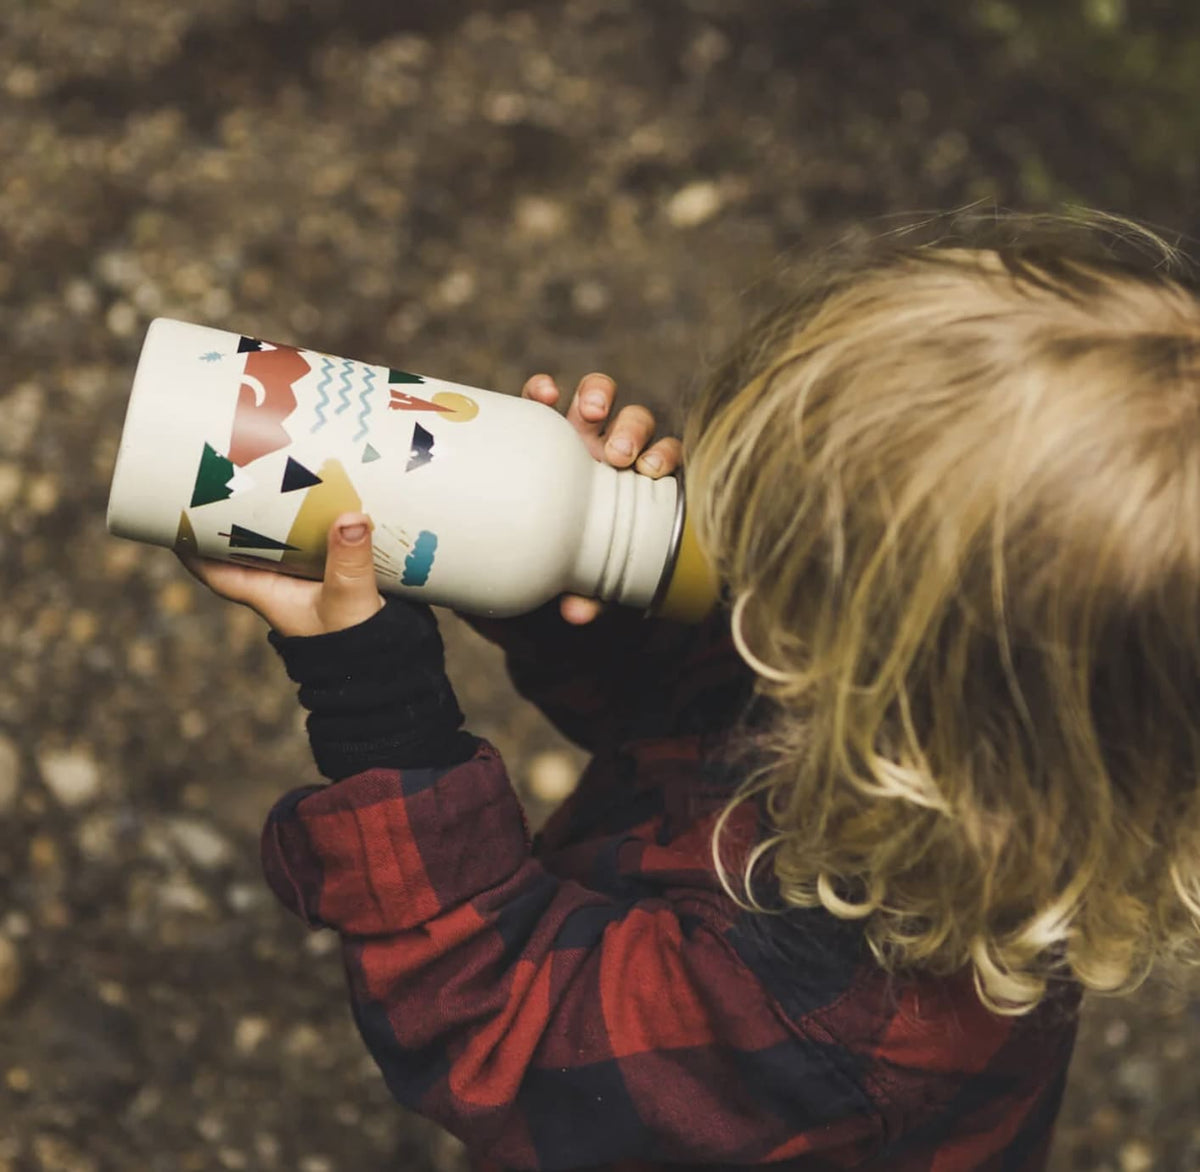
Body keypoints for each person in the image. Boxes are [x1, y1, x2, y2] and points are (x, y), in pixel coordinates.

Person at [179, 211, 1200, 1170]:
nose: (715, 543)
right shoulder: (930, 744)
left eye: (771, 559)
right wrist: (568, 563)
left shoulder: (836, 1010)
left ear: (905, 698)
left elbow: (502, 1029)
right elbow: (695, 713)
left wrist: (378, 698)